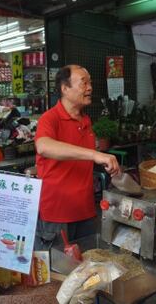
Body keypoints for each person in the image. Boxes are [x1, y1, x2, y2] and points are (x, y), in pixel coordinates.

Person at [34, 64, 120, 250]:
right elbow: (43, 146)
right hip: (57, 214)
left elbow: (79, 158)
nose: (89, 88)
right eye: (83, 83)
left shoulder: (86, 121)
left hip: (85, 210)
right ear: (65, 89)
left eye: (90, 83)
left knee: (86, 270)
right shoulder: (50, 118)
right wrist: (95, 154)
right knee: (58, 272)